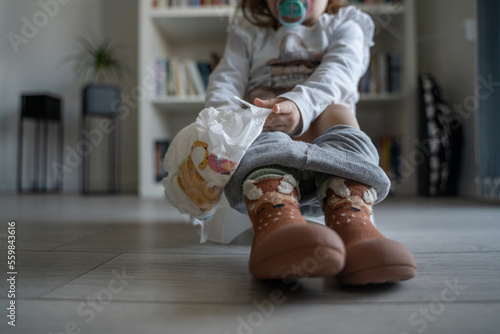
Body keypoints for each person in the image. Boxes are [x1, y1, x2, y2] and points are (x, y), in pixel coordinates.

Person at [204, 0, 416, 285]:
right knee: (256, 115)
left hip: (325, 138)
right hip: (268, 139)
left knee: (336, 110)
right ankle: (276, 217)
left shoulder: (346, 24)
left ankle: (350, 216)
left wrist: (298, 106)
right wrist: (223, 123)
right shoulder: (249, 32)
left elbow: (338, 74)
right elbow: (225, 80)